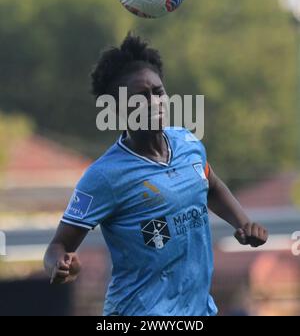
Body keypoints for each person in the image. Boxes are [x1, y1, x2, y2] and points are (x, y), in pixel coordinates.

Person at [44, 33, 268, 316]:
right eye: (139, 98)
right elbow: (58, 245)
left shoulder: (188, 144)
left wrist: (244, 223)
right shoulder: (105, 176)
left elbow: (209, 184)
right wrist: (60, 264)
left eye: (157, 92)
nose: (153, 102)